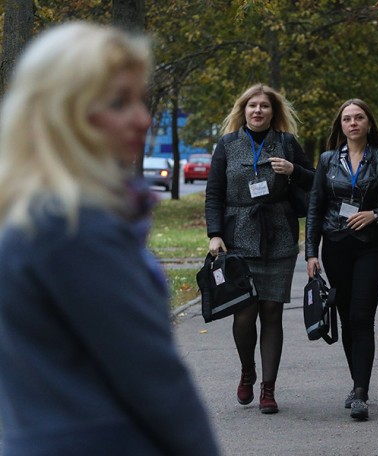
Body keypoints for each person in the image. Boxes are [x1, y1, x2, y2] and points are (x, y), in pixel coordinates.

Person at [0, 22, 220, 455]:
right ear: (63, 113)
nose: (142, 118)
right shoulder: (76, 225)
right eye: (119, 102)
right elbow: (152, 377)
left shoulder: (28, 212)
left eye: (140, 99)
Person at [205, 83, 314, 414]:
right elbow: (214, 193)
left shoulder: (286, 143)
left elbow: (315, 183)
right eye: (252, 106)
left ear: (273, 112)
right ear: (243, 110)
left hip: (278, 236)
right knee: (244, 313)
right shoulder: (227, 145)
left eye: (264, 106)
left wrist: (293, 170)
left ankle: (268, 388)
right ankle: (247, 372)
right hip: (238, 236)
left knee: (271, 312)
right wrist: (214, 234)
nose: (258, 111)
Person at [305, 98, 378, 421]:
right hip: (335, 246)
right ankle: (356, 381)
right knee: (347, 315)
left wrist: (376, 215)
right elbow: (315, 208)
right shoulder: (326, 160)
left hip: (371, 247)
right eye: (347, 118)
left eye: (359, 117)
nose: (353, 123)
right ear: (341, 125)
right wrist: (310, 252)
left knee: (362, 317)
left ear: (368, 123)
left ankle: (361, 392)